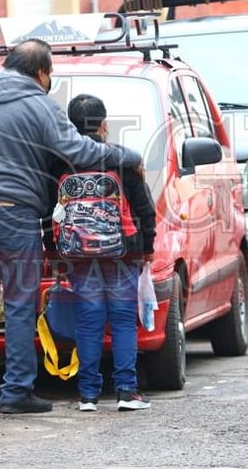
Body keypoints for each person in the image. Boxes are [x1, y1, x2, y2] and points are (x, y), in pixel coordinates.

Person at [0, 39, 143, 415]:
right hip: (12, 212)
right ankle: (16, 391)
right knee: (20, 302)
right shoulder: (39, 104)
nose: (50, 80)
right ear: (41, 72)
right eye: (50, 73)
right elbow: (81, 151)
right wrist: (127, 156)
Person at [60, 94, 156, 412]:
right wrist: (147, 248)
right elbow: (142, 207)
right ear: (104, 125)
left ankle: (88, 395)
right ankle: (126, 391)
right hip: (122, 250)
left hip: (77, 252)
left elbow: (49, 211)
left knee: (88, 320)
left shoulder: (60, 161)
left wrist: (54, 249)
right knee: (123, 319)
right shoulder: (121, 161)